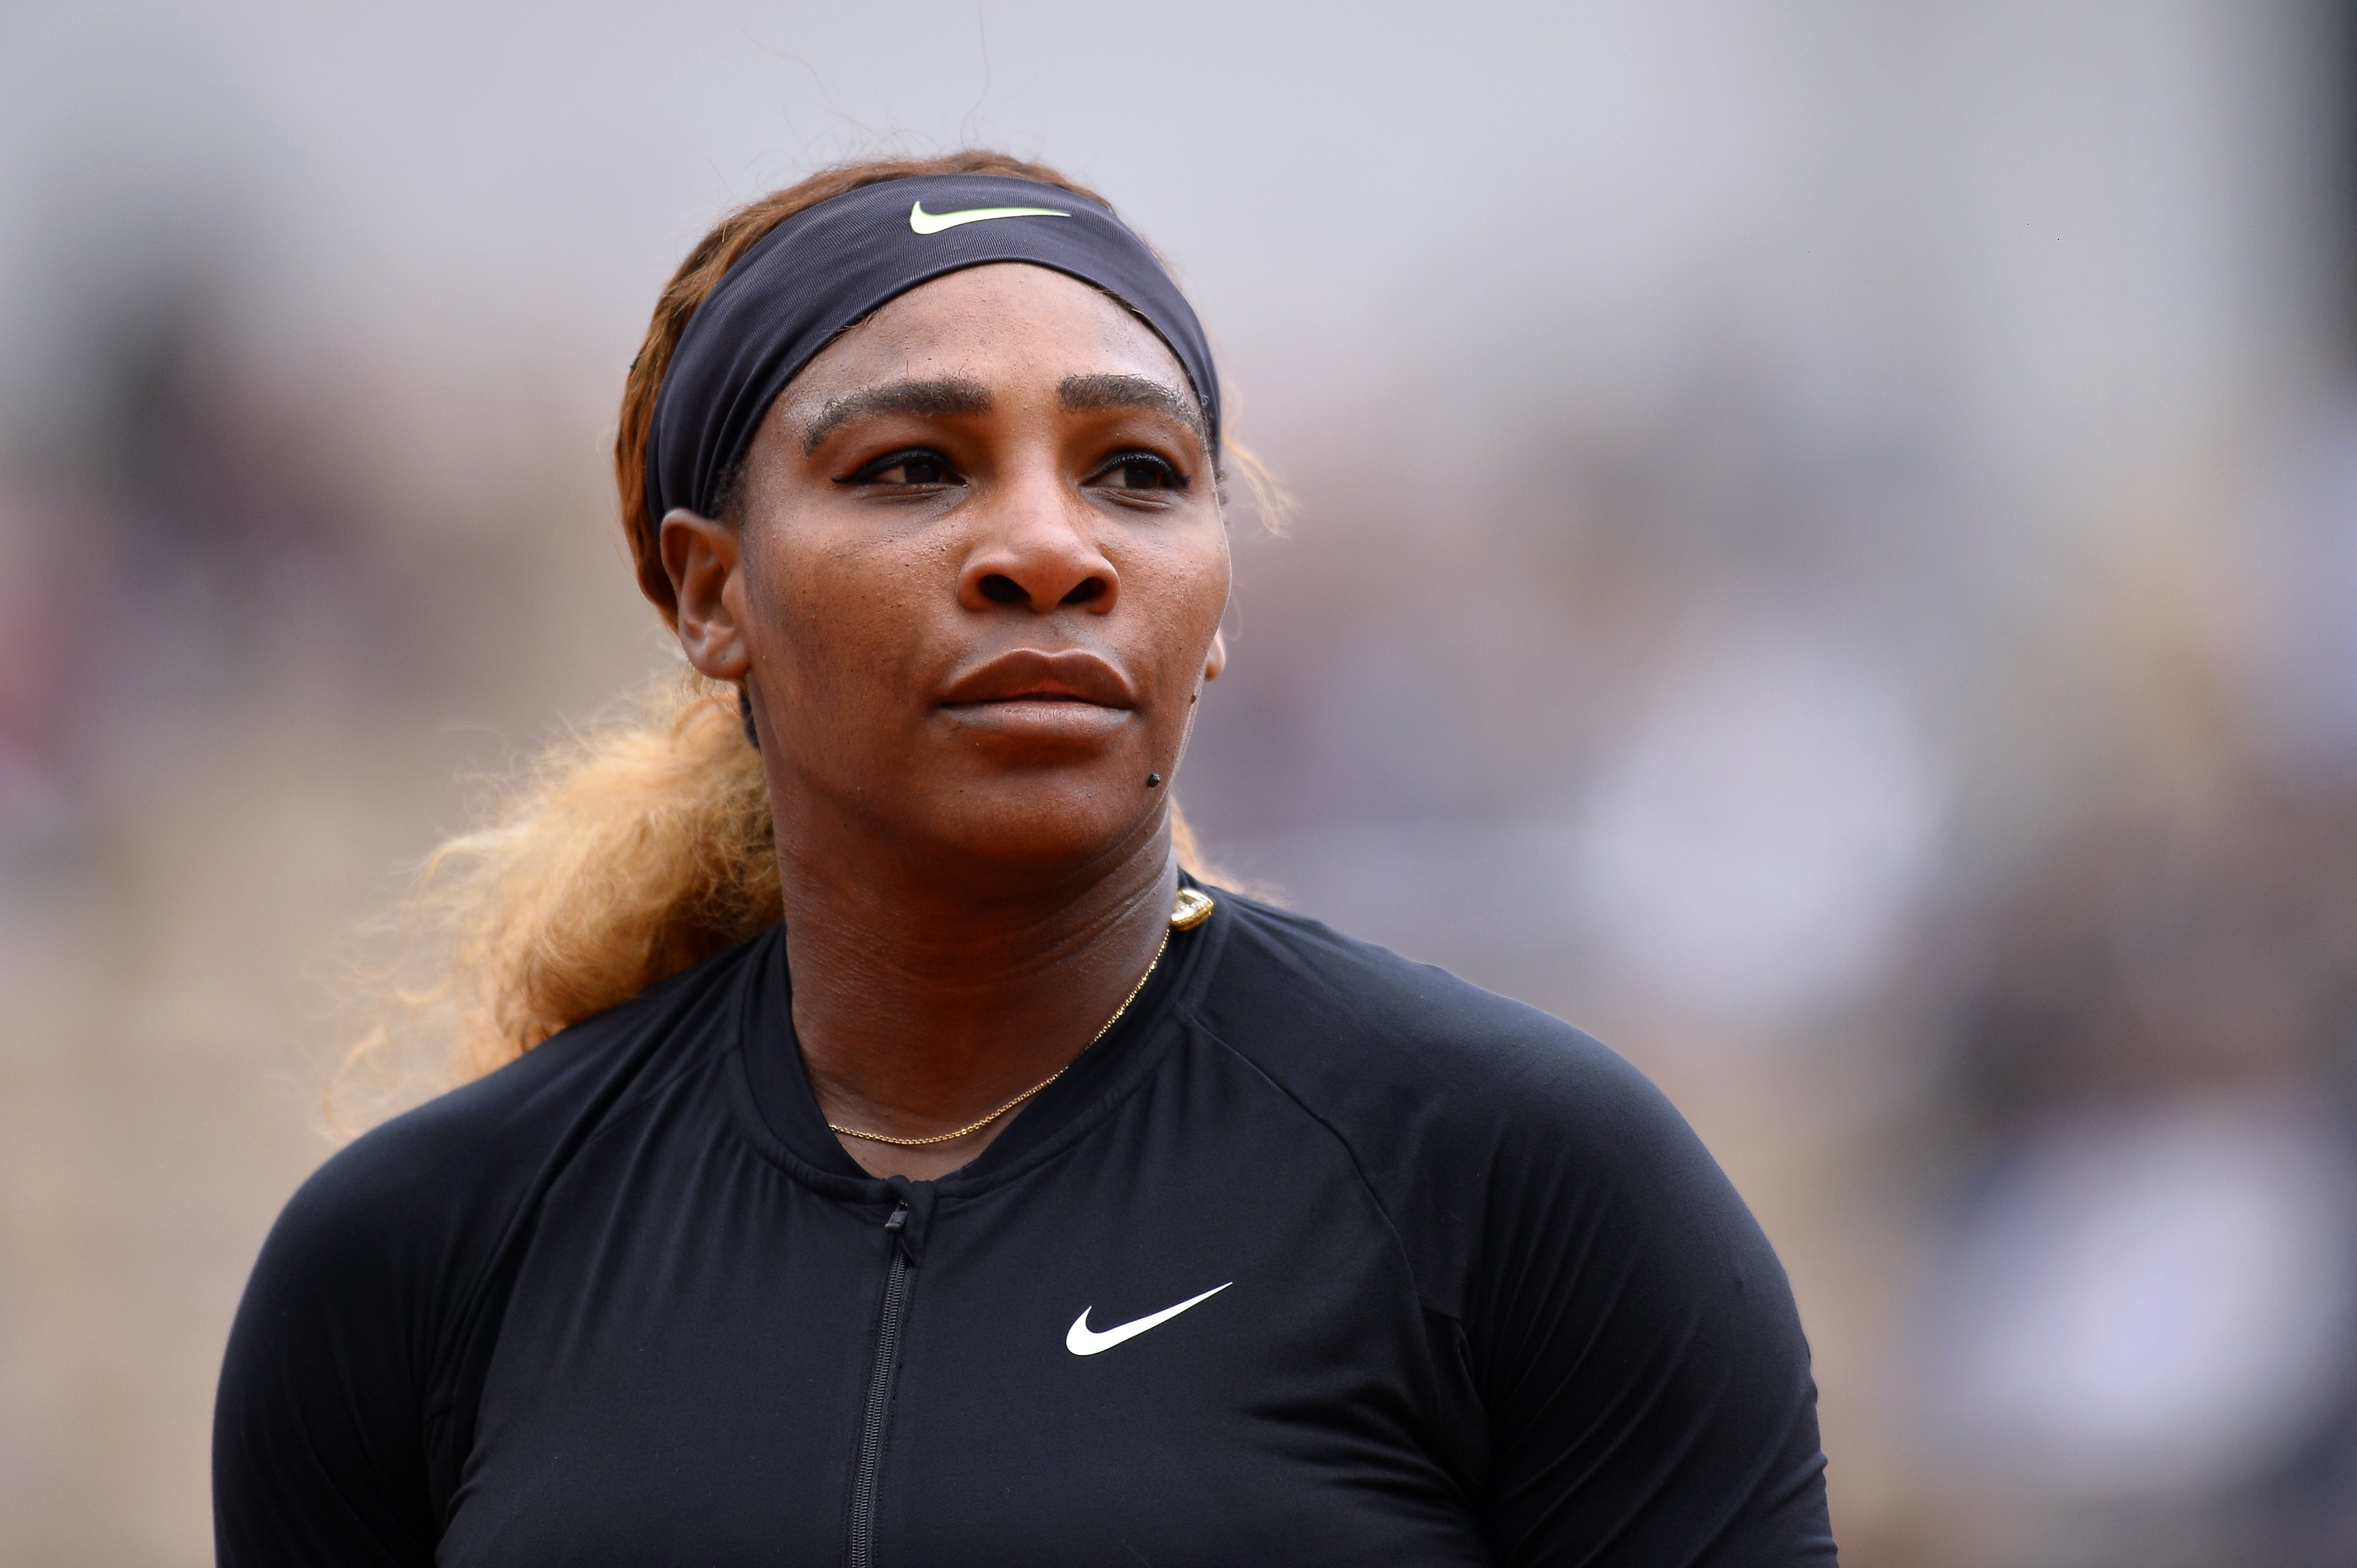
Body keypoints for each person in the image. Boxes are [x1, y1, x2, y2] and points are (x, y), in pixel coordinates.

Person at [212, 150, 1837, 1566]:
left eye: (1134, 472)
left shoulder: (1522, 1185)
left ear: (1214, 606)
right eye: (910, 467)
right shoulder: (419, 1258)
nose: (1049, 550)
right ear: (711, 597)